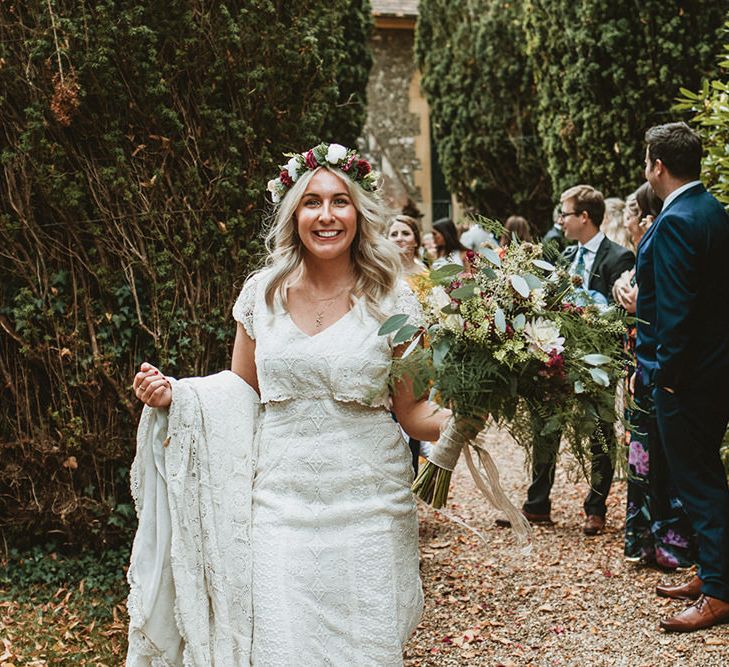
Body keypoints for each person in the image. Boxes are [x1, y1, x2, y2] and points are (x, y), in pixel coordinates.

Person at [127, 142, 450, 664]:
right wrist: (177, 396)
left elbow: (413, 412)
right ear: (293, 212)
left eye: (339, 201)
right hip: (279, 506)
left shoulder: (395, 300)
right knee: (281, 647)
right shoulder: (262, 294)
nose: (326, 215)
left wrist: (474, 417)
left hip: (370, 507)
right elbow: (241, 395)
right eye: (311, 202)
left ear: (359, 212)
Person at [638, 122, 729, 632]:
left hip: (687, 379)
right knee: (707, 479)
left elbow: (677, 310)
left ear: (658, 165)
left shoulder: (675, 221)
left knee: (699, 484)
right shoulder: (712, 210)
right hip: (715, 372)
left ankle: (718, 592)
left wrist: (664, 376)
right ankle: (715, 574)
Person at [521, 185, 634, 535]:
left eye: (564, 213)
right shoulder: (563, 256)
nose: (560, 220)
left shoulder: (620, 258)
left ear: (584, 217)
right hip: (557, 356)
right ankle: (537, 504)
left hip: (597, 360)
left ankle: (596, 507)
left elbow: (621, 317)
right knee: (544, 427)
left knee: (599, 431)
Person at [615, 183, 695, 571]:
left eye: (631, 214)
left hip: (655, 365)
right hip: (641, 362)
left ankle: (671, 541)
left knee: (659, 454)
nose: (627, 222)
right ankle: (647, 537)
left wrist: (636, 301)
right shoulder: (644, 248)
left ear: (645, 216)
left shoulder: (663, 238)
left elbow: (667, 305)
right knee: (644, 453)